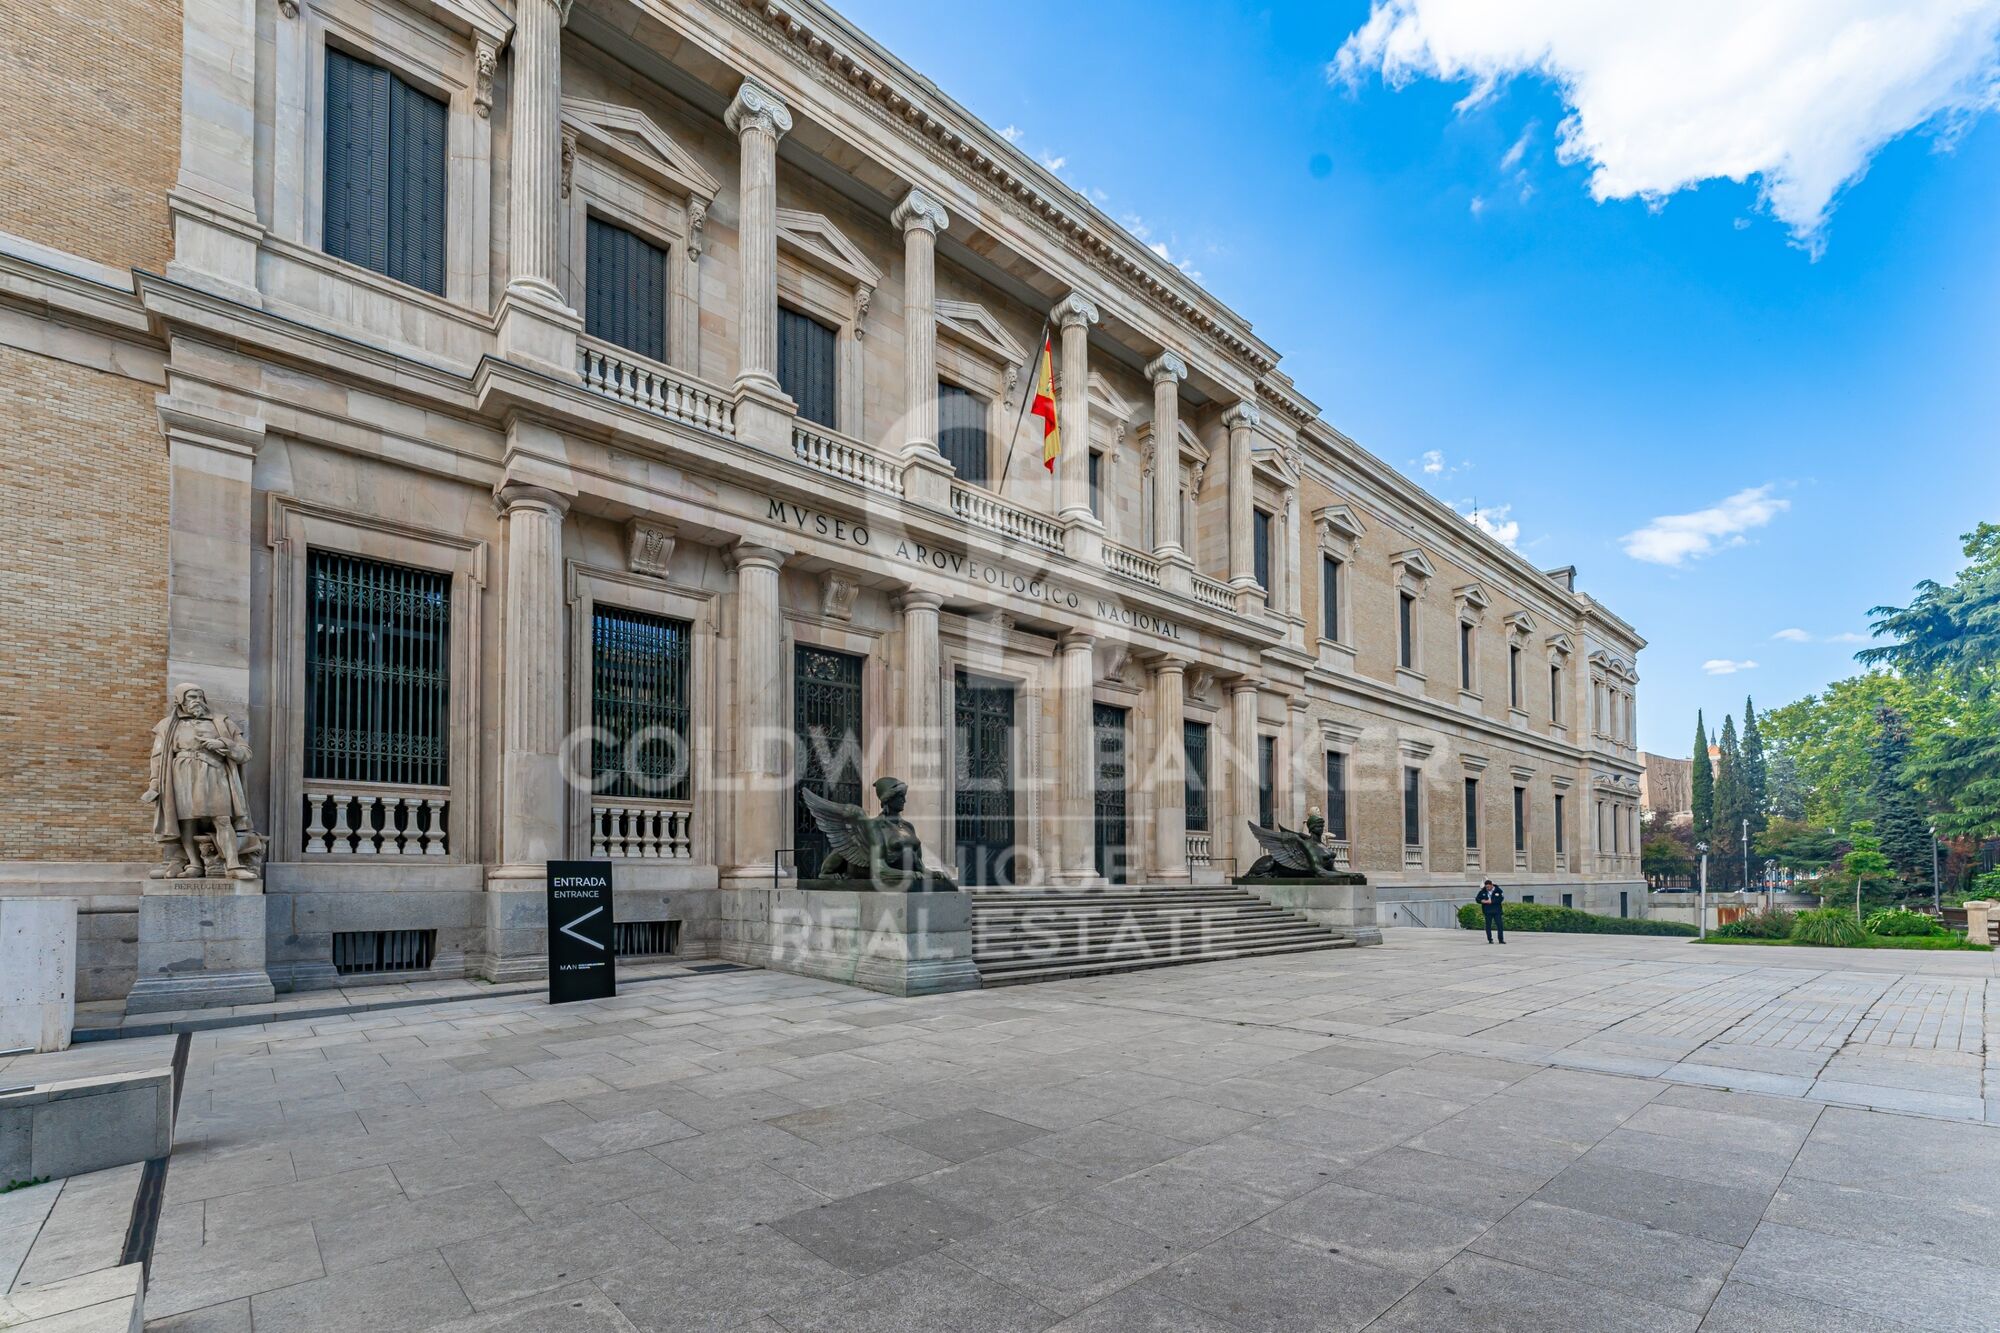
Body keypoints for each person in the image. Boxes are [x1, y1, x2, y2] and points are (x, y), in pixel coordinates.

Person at [1475, 879, 1506, 943]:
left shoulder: (1498, 890)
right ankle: (1490, 939)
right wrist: (1482, 901)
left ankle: (1501, 939)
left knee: (1499, 925)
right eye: (1486, 887)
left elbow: (1501, 898)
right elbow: (1477, 899)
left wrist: (1492, 901)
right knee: (1488, 925)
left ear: (1492, 885)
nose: (1488, 888)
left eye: (1489, 887)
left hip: (1497, 910)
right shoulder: (1483, 891)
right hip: (1487, 911)